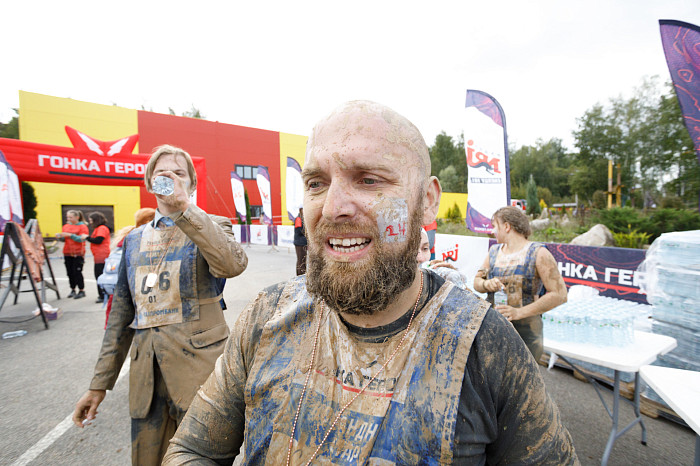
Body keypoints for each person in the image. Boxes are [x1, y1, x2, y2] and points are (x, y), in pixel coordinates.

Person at [163, 101, 577, 464]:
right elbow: (193, 450)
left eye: (369, 179)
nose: (333, 207)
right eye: (316, 183)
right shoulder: (267, 316)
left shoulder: (486, 349)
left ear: (428, 200)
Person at [72, 145, 249, 465]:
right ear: (149, 182)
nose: (170, 179)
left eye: (179, 174)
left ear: (191, 184)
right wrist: (99, 385)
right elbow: (121, 314)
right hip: (147, 381)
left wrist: (184, 208)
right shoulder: (134, 240)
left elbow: (231, 265)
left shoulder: (211, 225)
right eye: (162, 174)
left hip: (200, 375)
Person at [473, 206, 568, 361]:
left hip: (527, 334)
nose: (493, 231)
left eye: (495, 226)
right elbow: (477, 282)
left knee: (524, 382)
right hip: (493, 329)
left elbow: (560, 294)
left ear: (506, 226)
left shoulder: (539, 253)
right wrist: (486, 284)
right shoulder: (494, 252)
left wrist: (518, 312)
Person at [98, 208, 156, 328]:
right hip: (137, 290)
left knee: (118, 324)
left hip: (120, 291)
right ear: (150, 220)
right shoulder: (145, 237)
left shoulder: (128, 234)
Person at [56, 209, 88, 299]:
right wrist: (60, 237)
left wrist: (70, 235)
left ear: (77, 217)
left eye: (70, 217)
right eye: (67, 217)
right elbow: (64, 239)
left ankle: (81, 290)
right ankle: (73, 289)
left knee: (77, 271)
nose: (68, 218)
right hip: (67, 251)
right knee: (69, 272)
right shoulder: (66, 226)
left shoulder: (82, 226)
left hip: (78, 252)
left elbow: (81, 239)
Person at [83, 211, 112, 303]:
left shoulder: (102, 228)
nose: (90, 222)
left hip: (102, 255)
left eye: (91, 220)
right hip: (99, 255)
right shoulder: (100, 228)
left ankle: (103, 295)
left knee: (99, 276)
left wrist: (87, 237)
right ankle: (104, 294)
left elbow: (98, 240)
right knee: (100, 275)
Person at [293, 207, 307, 275]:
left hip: (302, 242)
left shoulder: (302, 218)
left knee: (302, 260)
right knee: (301, 260)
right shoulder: (298, 219)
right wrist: (307, 232)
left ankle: (301, 274)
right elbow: (299, 231)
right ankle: (301, 275)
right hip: (300, 243)